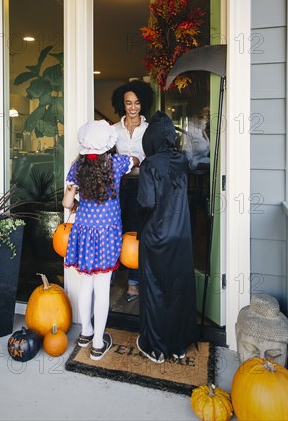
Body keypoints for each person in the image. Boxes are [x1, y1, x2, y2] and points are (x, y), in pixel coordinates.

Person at [62, 120, 133, 361]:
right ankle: (98, 344)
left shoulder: (77, 168)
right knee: (103, 288)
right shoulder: (117, 163)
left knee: (86, 285)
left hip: (83, 231)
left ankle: (85, 333)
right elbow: (136, 161)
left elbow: (67, 204)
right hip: (107, 234)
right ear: (107, 144)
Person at [136, 111, 197, 364]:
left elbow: (146, 203)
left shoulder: (148, 165)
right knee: (177, 290)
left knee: (154, 292)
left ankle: (155, 348)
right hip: (181, 236)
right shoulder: (182, 160)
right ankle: (178, 346)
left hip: (156, 237)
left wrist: (137, 229)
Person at [111, 79, 154, 302]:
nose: (133, 107)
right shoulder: (113, 130)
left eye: (137, 103)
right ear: (123, 104)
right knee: (116, 228)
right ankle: (109, 272)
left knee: (136, 233)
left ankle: (134, 282)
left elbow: (155, 159)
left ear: (142, 103)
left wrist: (140, 161)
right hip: (118, 186)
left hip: (141, 185)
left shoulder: (149, 129)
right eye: (128, 103)